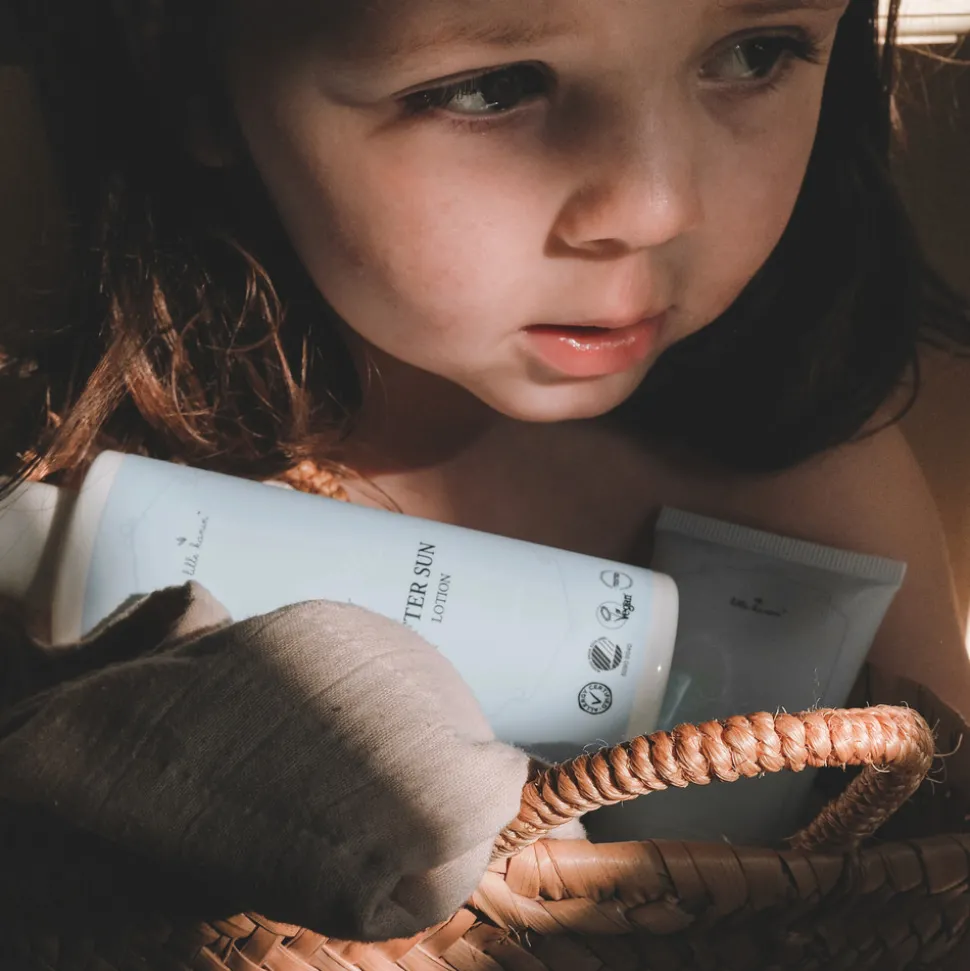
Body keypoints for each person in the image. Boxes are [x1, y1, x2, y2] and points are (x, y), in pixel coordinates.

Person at [3, 0, 970, 940]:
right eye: (491, 87)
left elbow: (936, 889)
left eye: (756, 53)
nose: (653, 205)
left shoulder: (810, 479)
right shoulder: (106, 496)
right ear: (188, 73)